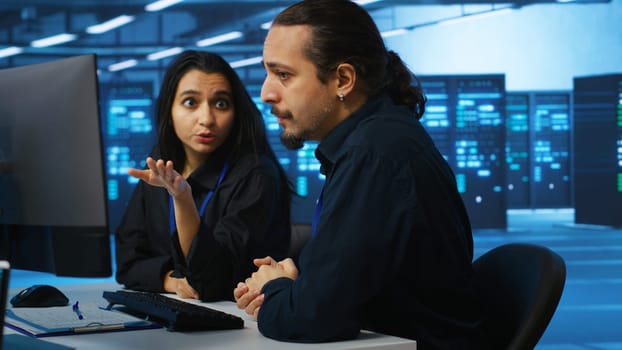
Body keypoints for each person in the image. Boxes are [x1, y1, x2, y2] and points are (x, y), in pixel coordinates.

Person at [233, 1, 483, 349]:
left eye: (284, 75)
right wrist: (293, 283)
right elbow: (342, 284)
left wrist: (276, 290)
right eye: (267, 73)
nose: (266, 93)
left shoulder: (374, 154)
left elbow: (310, 319)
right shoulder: (378, 140)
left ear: (343, 80)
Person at [115, 50, 291, 302]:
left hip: (238, 324)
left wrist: (182, 197)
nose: (207, 119)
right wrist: (171, 281)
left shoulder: (256, 174)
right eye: (190, 102)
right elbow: (127, 264)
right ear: (169, 109)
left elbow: (211, 280)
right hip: (176, 309)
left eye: (221, 104)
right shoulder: (163, 163)